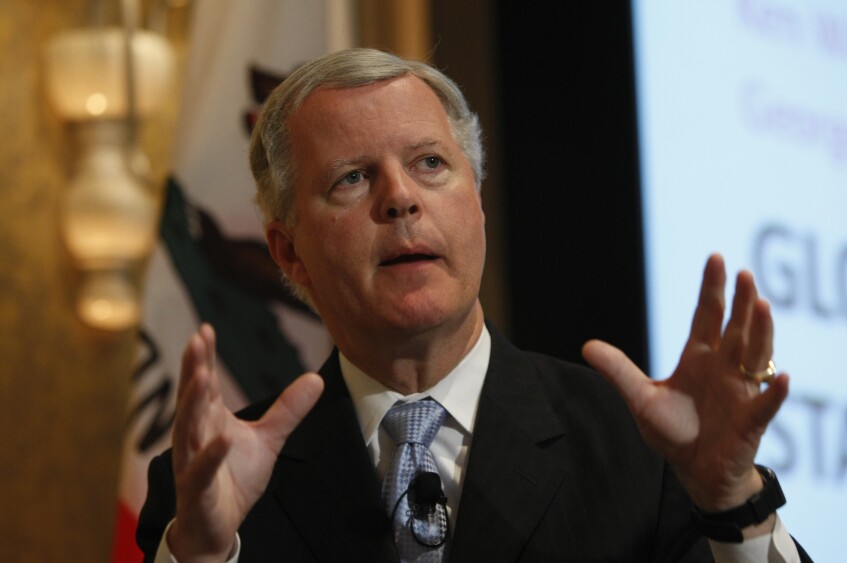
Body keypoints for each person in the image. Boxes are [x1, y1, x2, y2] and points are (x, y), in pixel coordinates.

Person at [137, 48, 811, 562]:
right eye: (353, 178)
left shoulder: (639, 450)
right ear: (287, 252)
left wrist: (734, 499)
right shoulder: (204, 489)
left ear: (477, 202)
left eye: (430, 163)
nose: (400, 199)